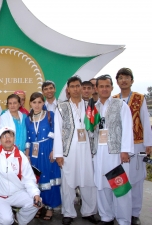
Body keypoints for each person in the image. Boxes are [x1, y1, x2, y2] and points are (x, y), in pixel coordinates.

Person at [53, 76, 99, 225]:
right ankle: (68, 212)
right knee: (68, 181)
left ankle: (89, 211)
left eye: (78, 86)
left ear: (81, 87)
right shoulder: (61, 107)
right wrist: (59, 154)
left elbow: (96, 128)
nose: (76, 89)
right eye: (72, 86)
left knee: (88, 180)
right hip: (69, 150)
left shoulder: (90, 105)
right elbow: (58, 131)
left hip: (87, 148)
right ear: (68, 89)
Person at [92, 74, 134, 225]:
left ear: (111, 87)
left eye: (107, 86)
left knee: (119, 186)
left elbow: (128, 128)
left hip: (116, 153)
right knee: (101, 185)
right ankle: (106, 217)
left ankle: (123, 220)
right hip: (99, 153)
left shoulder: (120, 105)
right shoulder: (94, 107)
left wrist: (125, 151)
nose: (104, 89)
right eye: (101, 86)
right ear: (96, 88)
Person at [113, 68, 152, 225]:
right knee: (120, 178)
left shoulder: (139, 98)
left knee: (136, 179)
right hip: (118, 146)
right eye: (120, 78)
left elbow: (144, 120)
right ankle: (121, 211)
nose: (123, 80)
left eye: (126, 77)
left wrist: (148, 144)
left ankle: (134, 212)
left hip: (137, 145)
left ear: (132, 80)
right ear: (117, 81)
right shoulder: (114, 99)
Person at [25, 92, 61, 220]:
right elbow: (28, 139)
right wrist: (27, 156)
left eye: (40, 102)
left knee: (49, 178)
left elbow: (56, 134)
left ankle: (50, 208)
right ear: (30, 103)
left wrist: (54, 151)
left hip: (47, 150)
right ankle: (40, 206)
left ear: (43, 103)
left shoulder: (50, 115)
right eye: (34, 102)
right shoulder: (27, 119)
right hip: (34, 154)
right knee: (37, 179)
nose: (37, 105)